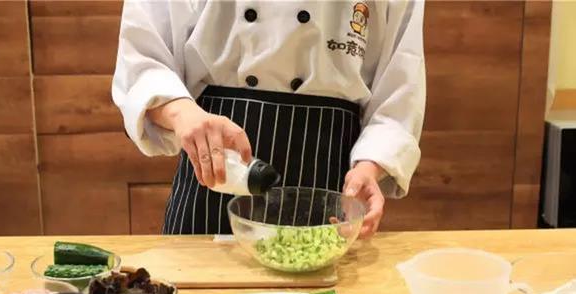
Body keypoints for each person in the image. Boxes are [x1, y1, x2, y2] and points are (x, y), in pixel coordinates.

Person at [112, 0, 425, 237]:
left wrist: (369, 169)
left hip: (330, 179)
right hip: (218, 164)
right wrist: (184, 114)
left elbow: (399, 86)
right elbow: (143, 58)